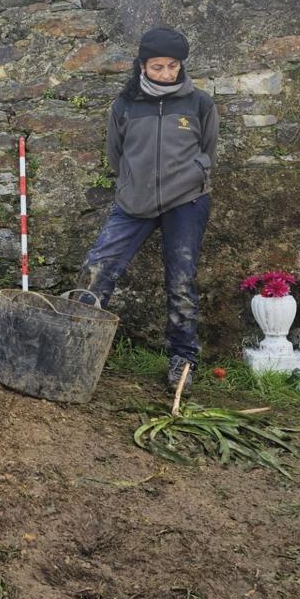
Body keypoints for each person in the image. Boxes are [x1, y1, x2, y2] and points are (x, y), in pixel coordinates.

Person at [81, 27, 219, 393]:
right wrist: (132, 184)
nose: (166, 74)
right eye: (157, 67)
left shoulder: (199, 103)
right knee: (98, 267)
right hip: (133, 202)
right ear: (142, 66)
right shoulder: (125, 105)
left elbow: (209, 149)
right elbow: (116, 154)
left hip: (186, 201)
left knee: (181, 279)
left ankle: (183, 360)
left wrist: (193, 175)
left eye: (172, 66)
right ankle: (79, 347)